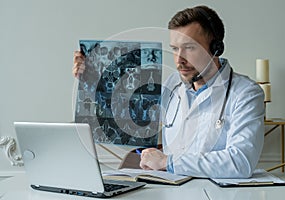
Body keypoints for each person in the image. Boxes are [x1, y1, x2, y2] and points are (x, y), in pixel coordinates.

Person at [73, 5, 265, 178]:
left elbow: (240, 162)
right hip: (171, 190)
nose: (179, 59)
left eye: (189, 48)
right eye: (174, 49)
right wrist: (91, 78)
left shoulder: (245, 94)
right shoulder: (172, 84)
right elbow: (123, 120)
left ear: (216, 48)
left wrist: (168, 162)